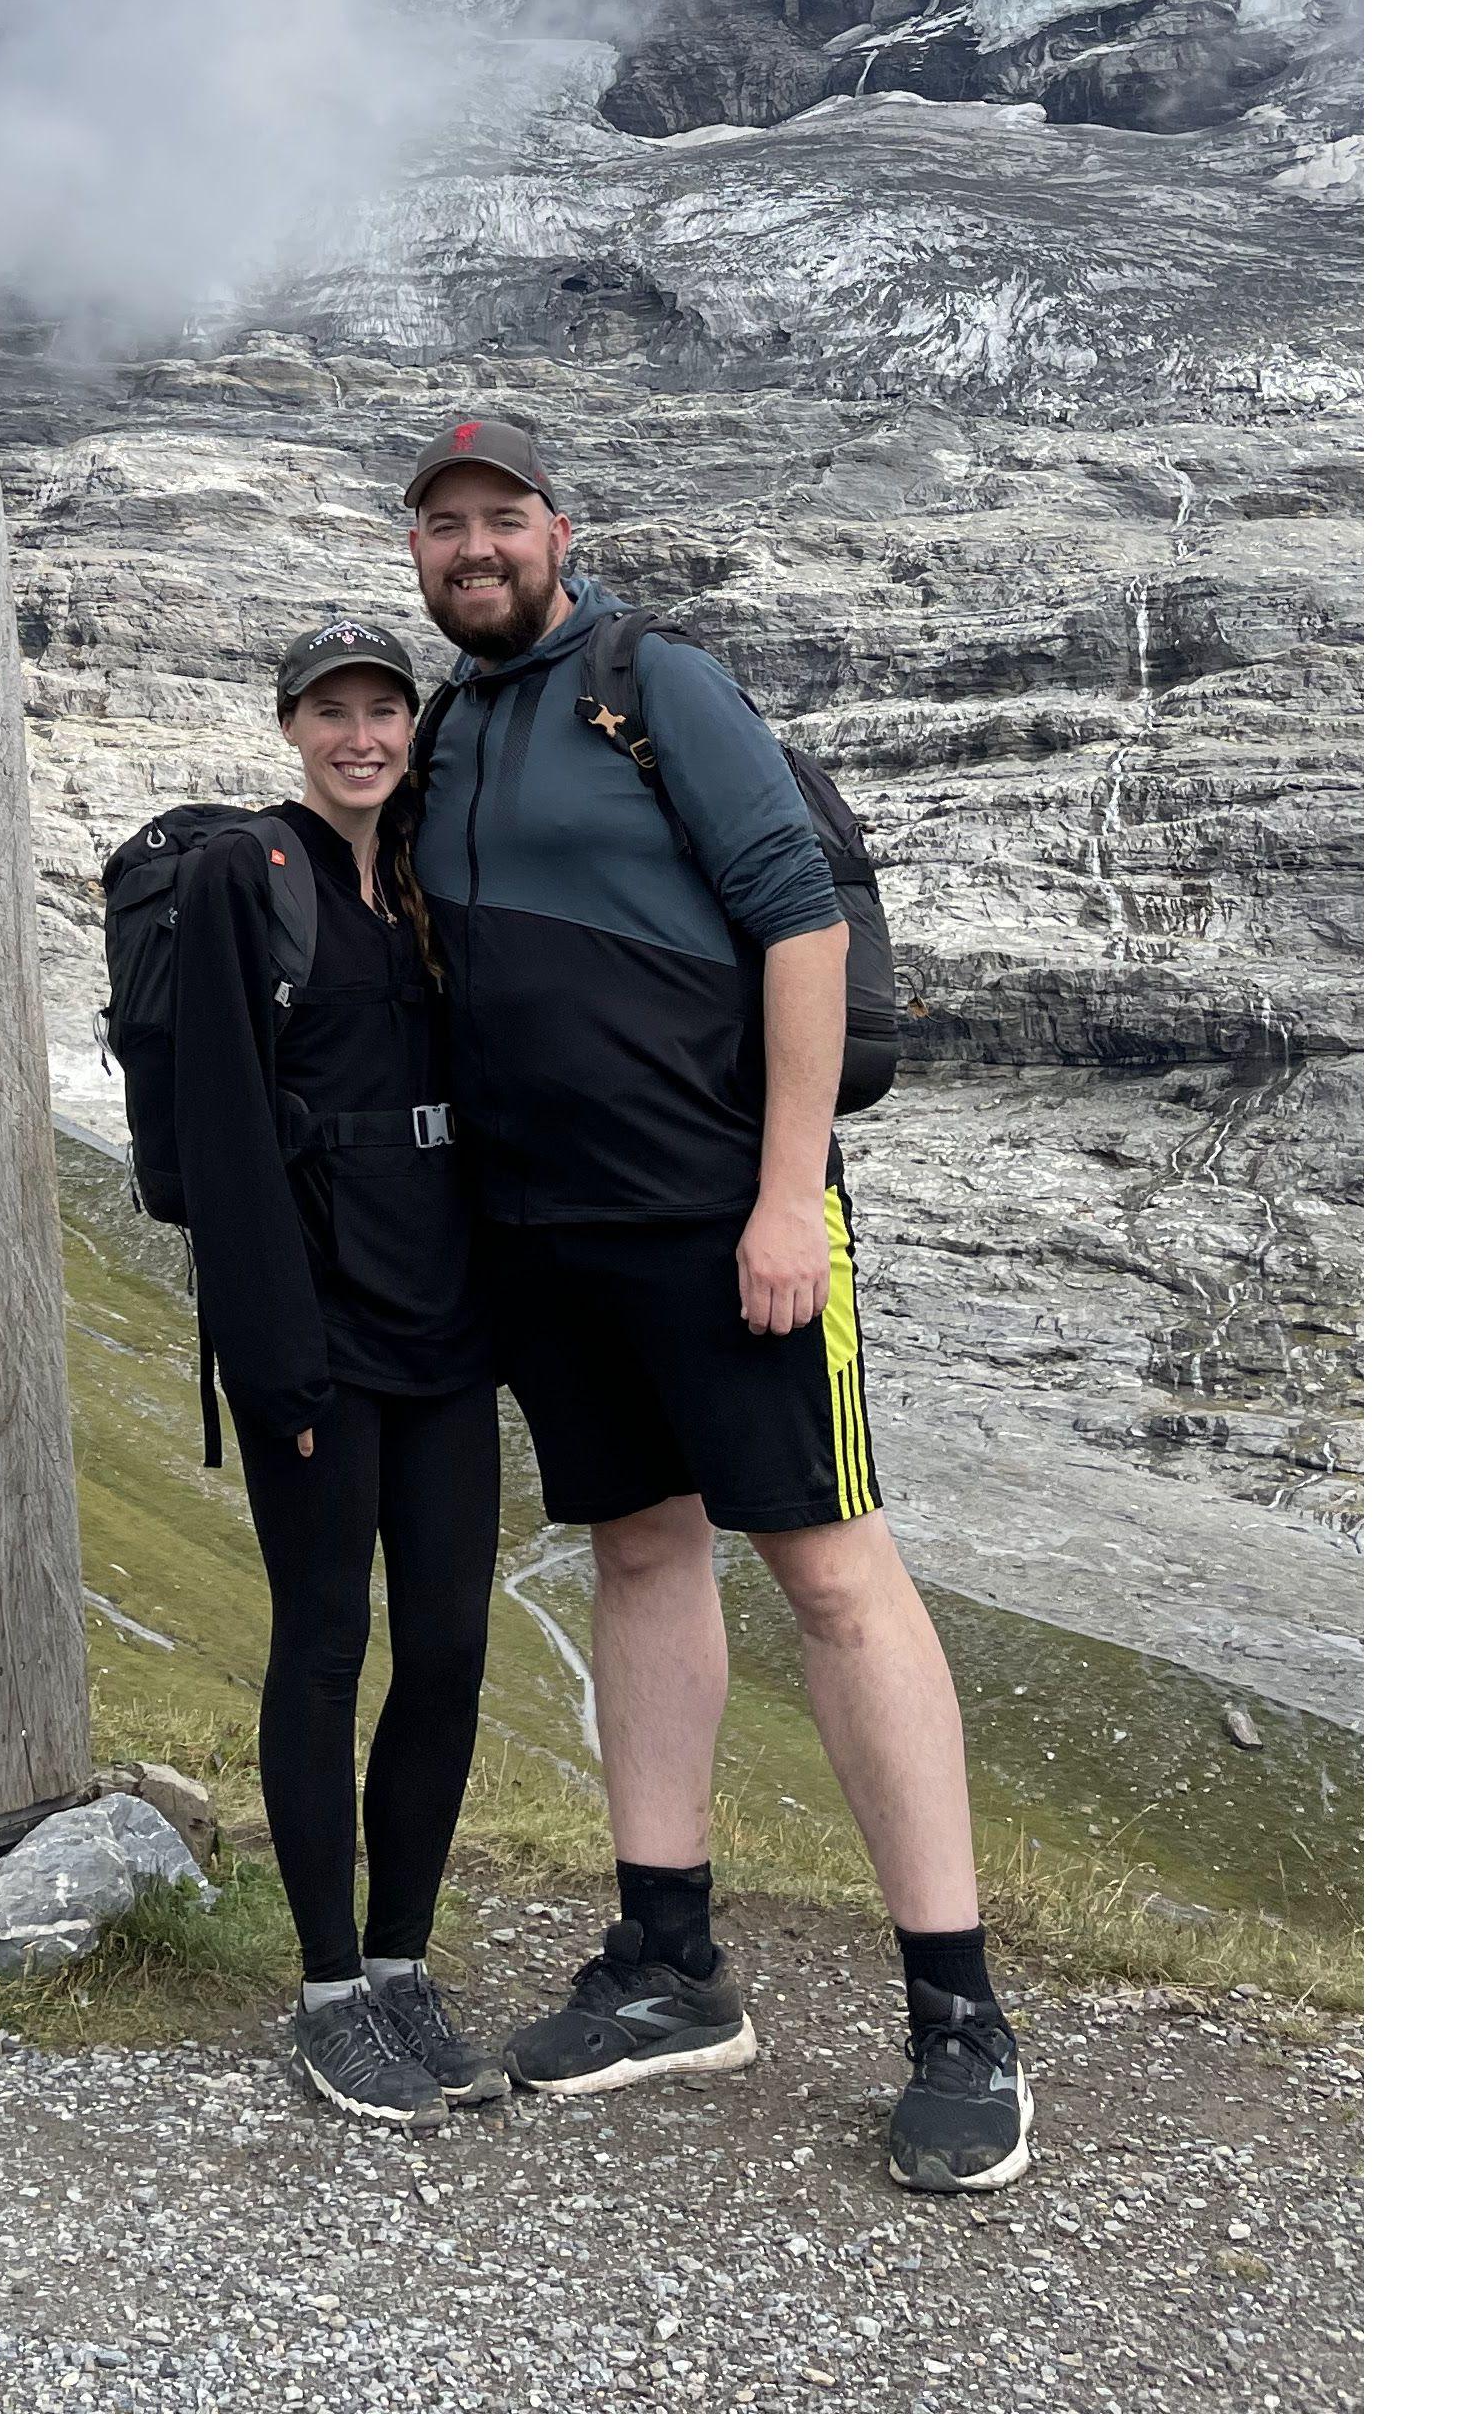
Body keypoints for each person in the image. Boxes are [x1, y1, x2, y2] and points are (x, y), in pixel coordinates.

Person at [398, 416, 1033, 2196]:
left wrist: (784, 1198)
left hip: (721, 1222)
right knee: (642, 1554)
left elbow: (795, 925)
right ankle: (671, 1969)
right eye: (442, 528)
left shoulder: (652, 682)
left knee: (832, 1569)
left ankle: (960, 2018)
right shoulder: (450, 727)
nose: (473, 550)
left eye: (499, 518)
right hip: (548, 1236)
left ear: (557, 529)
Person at [171, 614, 506, 2126]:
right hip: (319, 1339)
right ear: (290, 726)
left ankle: (400, 1965)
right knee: (323, 1640)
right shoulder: (252, 874)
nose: (361, 735)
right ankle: (323, 1994)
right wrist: (279, 1369)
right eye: (333, 712)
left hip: (443, 1331)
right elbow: (232, 1134)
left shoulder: (429, 883)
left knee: (444, 1650)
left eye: (385, 709)